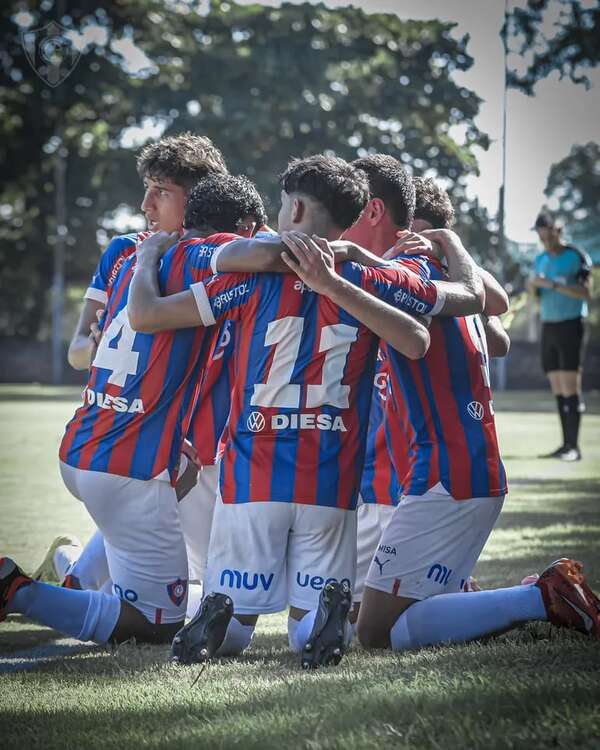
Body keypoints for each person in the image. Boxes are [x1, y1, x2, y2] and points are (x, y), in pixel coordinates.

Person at [127, 154, 485, 668]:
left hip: (254, 474)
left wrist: (145, 262)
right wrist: (354, 268)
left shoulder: (250, 273)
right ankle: (322, 618)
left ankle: (219, 614)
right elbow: (417, 339)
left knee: (235, 631)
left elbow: (150, 316)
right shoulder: (364, 275)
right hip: (329, 482)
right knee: (303, 634)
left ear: (293, 208)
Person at [0, 173, 286, 646]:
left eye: (162, 191)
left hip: (89, 442)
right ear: (242, 226)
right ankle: (19, 591)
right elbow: (260, 255)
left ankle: (73, 570)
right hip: (127, 463)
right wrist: (336, 253)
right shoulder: (197, 254)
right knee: (160, 620)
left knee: (161, 569)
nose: (148, 203)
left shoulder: (131, 254)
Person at [355, 177, 600, 651]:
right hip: (461, 470)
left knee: (374, 632)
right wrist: (449, 248)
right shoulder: (451, 286)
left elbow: (498, 316)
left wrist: (444, 246)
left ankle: (541, 597)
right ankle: (506, 598)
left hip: (443, 475)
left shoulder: (429, 279)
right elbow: (499, 319)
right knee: (392, 618)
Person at [528, 211, 593, 462]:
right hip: (549, 326)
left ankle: (574, 447)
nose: (544, 241)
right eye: (541, 237)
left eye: (547, 234)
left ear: (557, 230)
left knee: (570, 388)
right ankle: (565, 444)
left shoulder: (576, 256)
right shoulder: (540, 259)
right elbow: (537, 296)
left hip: (570, 325)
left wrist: (553, 285)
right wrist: (533, 288)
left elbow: (586, 293)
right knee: (557, 388)